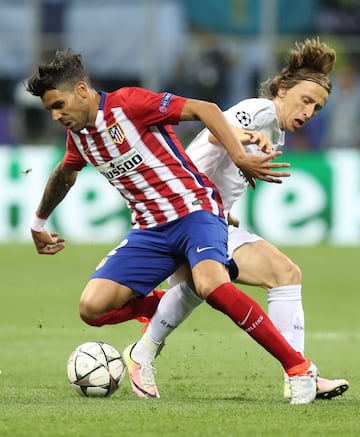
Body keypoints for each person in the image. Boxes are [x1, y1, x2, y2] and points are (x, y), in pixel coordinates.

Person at [27, 49, 320, 405]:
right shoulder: (81, 138)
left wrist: (240, 155)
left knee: (212, 285)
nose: (56, 116)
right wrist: (39, 222)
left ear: (83, 91)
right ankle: (162, 306)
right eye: (50, 110)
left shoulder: (129, 103)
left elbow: (206, 110)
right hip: (150, 230)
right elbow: (65, 174)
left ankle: (298, 368)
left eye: (59, 105)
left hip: (196, 210)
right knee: (91, 308)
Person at [121, 38, 349, 400]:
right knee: (276, 274)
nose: (309, 112)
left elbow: (207, 162)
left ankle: (143, 354)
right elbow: (214, 132)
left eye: (317, 108)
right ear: (283, 88)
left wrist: (224, 210)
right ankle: (298, 373)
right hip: (182, 215)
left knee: (211, 284)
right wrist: (247, 138)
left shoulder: (274, 131)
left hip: (206, 216)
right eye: (305, 100)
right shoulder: (260, 112)